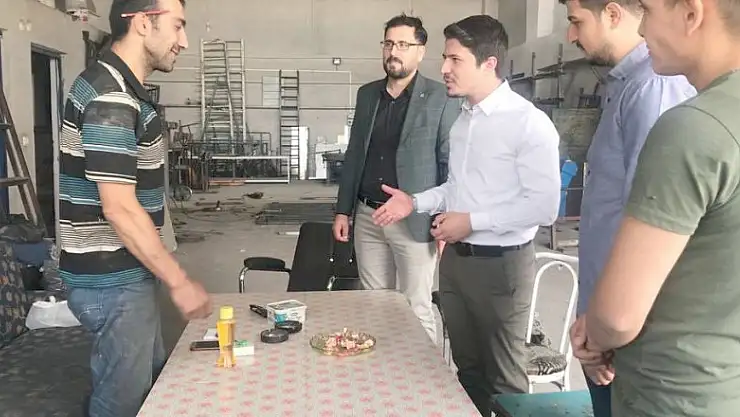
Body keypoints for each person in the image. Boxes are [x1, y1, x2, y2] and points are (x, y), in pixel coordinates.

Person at [372, 15, 561, 415]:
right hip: (457, 262)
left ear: (488, 63)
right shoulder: (464, 121)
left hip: (501, 268)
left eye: (455, 59)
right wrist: (414, 202)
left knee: (505, 379)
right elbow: (455, 189)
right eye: (445, 57)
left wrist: (471, 222)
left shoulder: (527, 123)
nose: (444, 68)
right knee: (467, 372)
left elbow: (544, 206)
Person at [570, 0, 740, 415]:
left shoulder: (693, 124)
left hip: (670, 389)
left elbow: (618, 316)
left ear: (691, 13)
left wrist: (595, 331)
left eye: (647, 10)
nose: (642, 30)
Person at [59, 1, 212, 416]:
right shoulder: (112, 96)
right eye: (177, 26)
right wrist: (178, 281)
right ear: (143, 23)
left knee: (148, 388)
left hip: (123, 276)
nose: (183, 41)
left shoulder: (116, 86)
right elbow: (120, 209)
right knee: (123, 404)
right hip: (113, 282)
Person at [558, 0, 695, 414]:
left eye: (576, 22)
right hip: (607, 320)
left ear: (613, 14)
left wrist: (610, 327)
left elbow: (653, 230)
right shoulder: (627, 85)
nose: (570, 35)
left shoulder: (653, 87)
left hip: (627, 332)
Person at [333, 13, 460, 342]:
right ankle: (383, 372)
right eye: (389, 43)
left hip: (414, 220)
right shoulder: (367, 95)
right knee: (375, 305)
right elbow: (354, 155)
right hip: (368, 216)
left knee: (417, 306)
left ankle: (426, 374)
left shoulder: (441, 98)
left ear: (421, 51)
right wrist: (343, 210)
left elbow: (447, 163)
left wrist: (445, 219)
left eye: (403, 44)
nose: (394, 51)